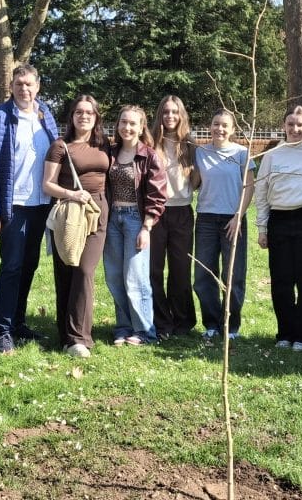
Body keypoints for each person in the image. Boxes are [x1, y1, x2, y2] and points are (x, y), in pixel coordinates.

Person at [0, 64, 59, 354]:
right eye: (18, 84)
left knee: (29, 265)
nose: (24, 89)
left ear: (38, 86)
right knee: (11, 266)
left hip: (41, 204)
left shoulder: (45, 115)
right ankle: (3, 330)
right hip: (14, 205)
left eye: (28, 84)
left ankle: (19, 322)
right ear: (11, 87)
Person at [255, 106, 302, 351]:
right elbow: (261, 192)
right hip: (279, 219)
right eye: (290, 125)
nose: (295, 129)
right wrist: (262, 227)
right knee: (281, 279)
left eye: (300, 124)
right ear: (284, 126)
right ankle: (285, 332)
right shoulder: (273, 155)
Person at [43, 95, 111, 358]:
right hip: (70, 212)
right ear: (72, 116)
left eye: (89, 113)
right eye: (79, 112)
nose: (84, 116)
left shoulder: (105, 146)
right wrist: (72, 194)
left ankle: (79, 338)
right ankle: (65, 334)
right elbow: (47, 184)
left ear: (96, 117)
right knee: (67, 271)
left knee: (84, 270)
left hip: (98, 211)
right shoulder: (60, 146)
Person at [103, 106, 168, 346]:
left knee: (135, 277)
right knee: (114, 277)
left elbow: (158, 195)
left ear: (141, 127)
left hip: (135, 220)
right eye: (123, 122)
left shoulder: (149, 156)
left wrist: (146, 226)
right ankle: (124, 326)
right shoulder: (110, 153)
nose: (127, 127)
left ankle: (145, 331)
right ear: (117, 125)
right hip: (112, 220)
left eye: (132, 123)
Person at [192, 109, 255, 341]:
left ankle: (230, 325)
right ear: (210, 126)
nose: (219, 129)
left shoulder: (242, 153)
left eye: (224, 125)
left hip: (233, 219)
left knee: (234, 275)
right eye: (216, 124)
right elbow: (194, 182)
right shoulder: (201, 152)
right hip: (206, 219)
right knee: (202, 275)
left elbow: (249, 187)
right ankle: (211, 323)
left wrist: (238, 215)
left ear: (232, 130)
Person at [148, 96, 198, 338]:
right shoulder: (150, 143)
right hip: (156, 212)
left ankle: (182, 321)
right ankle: (161, 322)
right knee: (154, 270)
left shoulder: (190, 145)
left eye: (175, 112)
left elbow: (197, 180)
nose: (170, 116)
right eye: (166, 111)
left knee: (180, 270)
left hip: (182, 212)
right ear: (160, 114)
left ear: (181, 115)